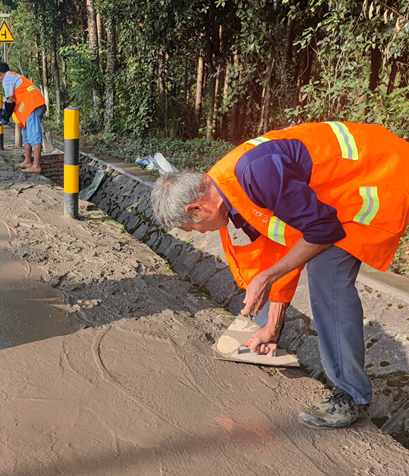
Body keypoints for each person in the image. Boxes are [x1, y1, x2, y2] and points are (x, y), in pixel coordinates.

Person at [151, 122, 409, 429]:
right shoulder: (227, 186)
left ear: (197, 209)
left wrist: (267, 277)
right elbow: (282, 246)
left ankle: (351, 398)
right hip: (352, 185)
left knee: (327, 276)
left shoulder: (257, 175)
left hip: (380, 174)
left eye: (190, 228)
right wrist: (272, 326)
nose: (198, 233)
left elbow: (323, 231)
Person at [0, 62, 46, 173]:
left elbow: (9, 100)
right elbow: (11, 103)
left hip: (32, 105)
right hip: (29, 106)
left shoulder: (7, 79)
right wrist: (4, 116)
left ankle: (36, 166)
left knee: (34, 135)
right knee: (26, 134)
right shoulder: (14, 76)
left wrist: (5, 117)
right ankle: (27, 161)